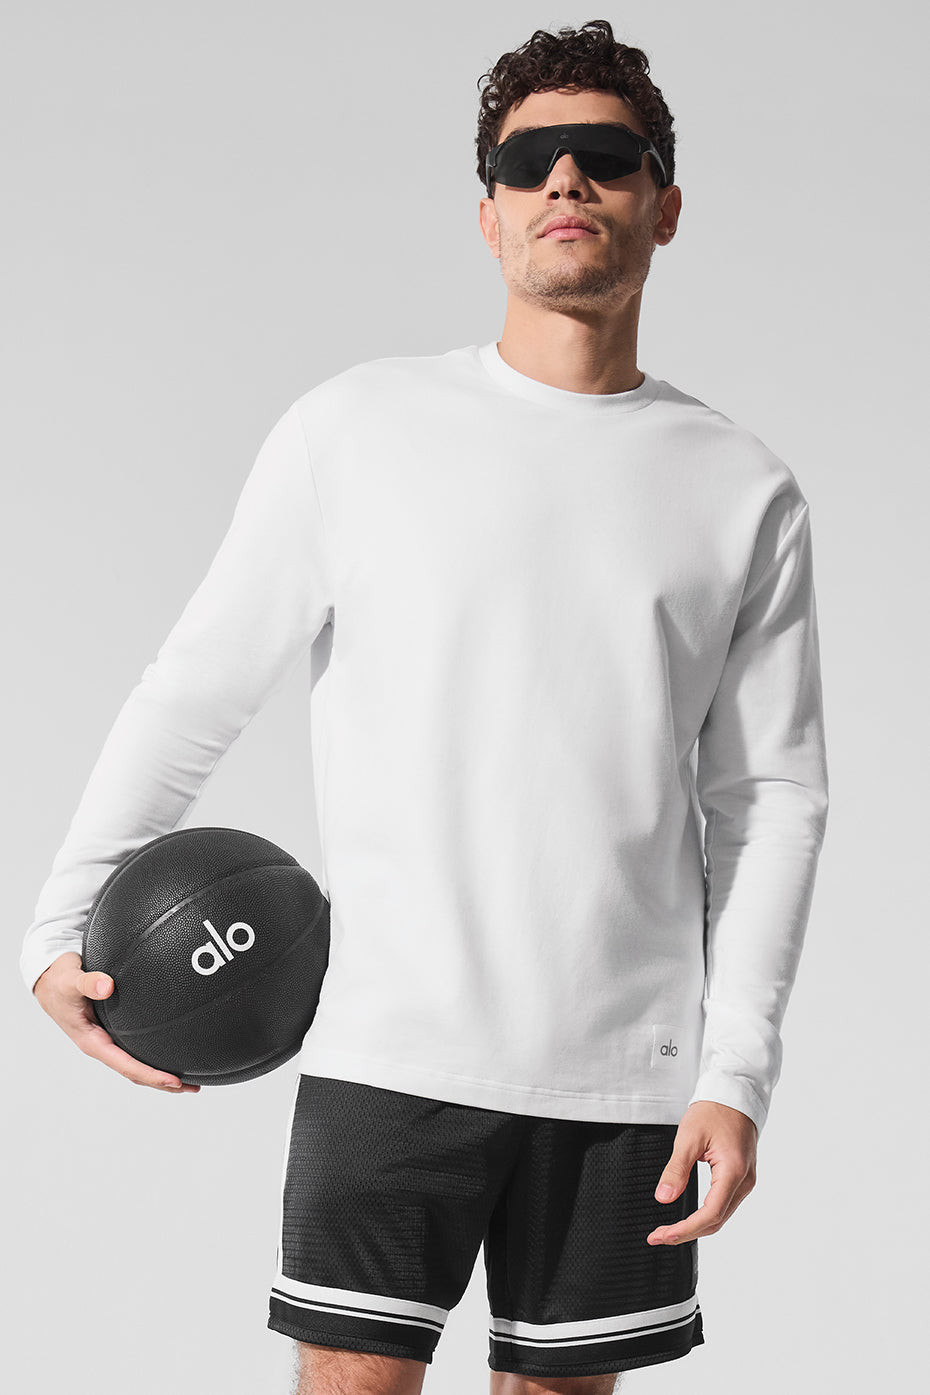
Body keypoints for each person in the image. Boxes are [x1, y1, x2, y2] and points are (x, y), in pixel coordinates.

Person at [22, 18, 829, 1395]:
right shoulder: (356, 431)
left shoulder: (742, 490)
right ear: (489, 213)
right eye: (528, 161)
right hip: (391, 1045)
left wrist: (734, 1073)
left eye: (605, 156)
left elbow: (769, 804)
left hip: (627, 1077)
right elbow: (196, 689)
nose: (564, 180)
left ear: (663, 203)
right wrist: (58, 921)